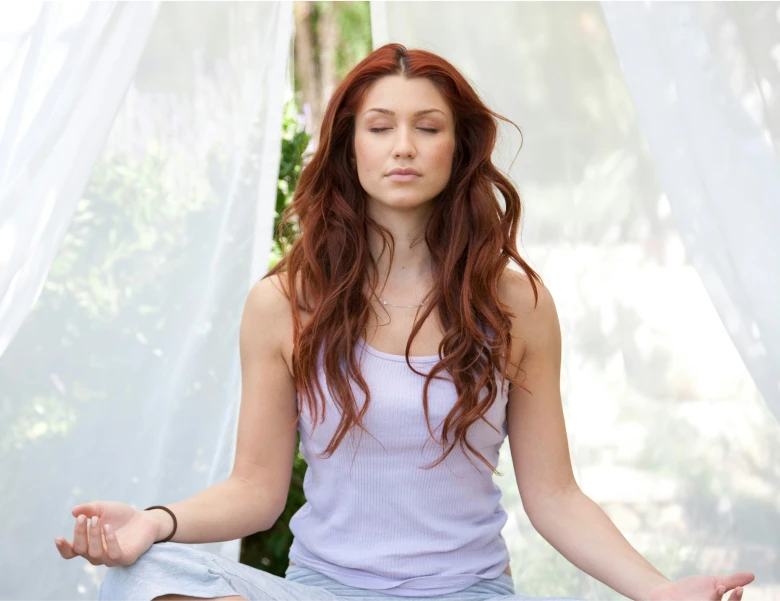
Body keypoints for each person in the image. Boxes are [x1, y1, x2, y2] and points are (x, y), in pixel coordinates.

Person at [54, 43, 755, 601]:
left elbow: (556, 495)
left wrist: (660, 591)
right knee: (144, 579)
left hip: (470, 592)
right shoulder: (283, 303)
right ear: (348, 147)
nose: (403, 147)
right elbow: (256, 489)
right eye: (380, 127)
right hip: (324, 592)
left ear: (458, 149)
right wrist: (154, 521)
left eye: (428, 127)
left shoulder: (517, 305)